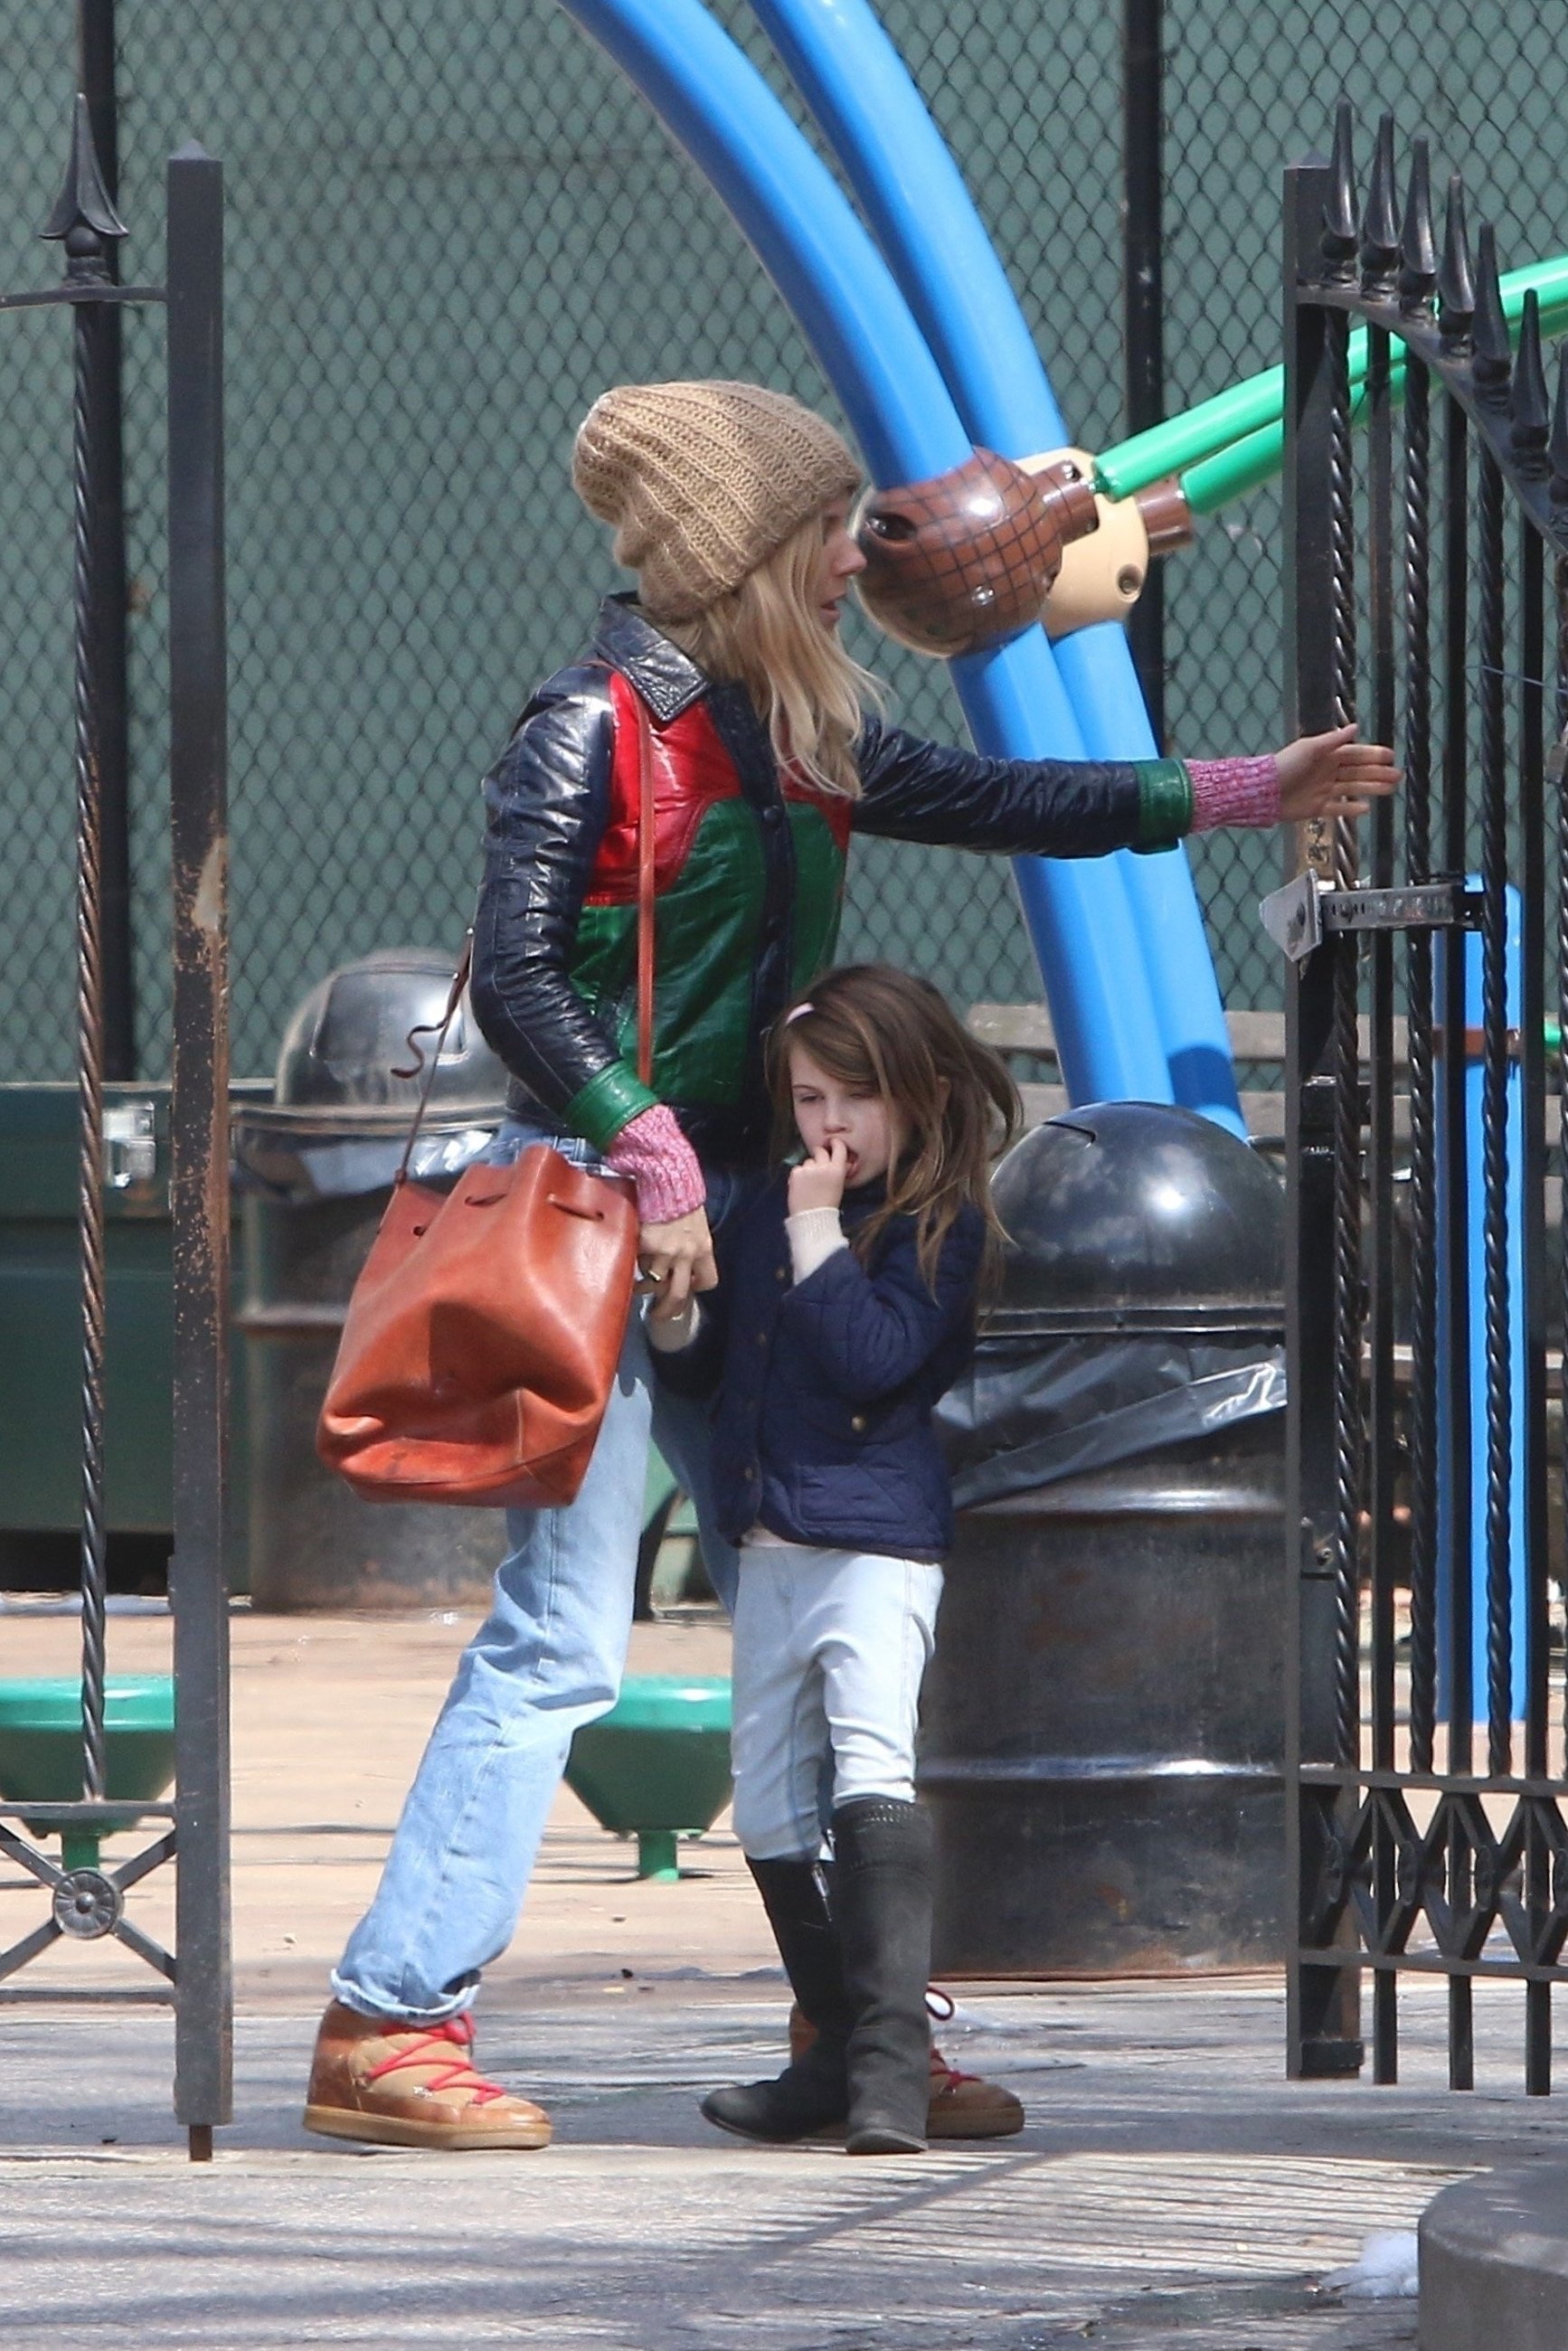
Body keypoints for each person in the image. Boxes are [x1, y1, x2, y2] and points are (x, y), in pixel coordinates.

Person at [303, 378, 1397, 2153]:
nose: (851, 554)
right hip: (590, 1218)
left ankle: (861, 2032)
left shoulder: (795, 722)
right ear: (741, 545)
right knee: (562, 1633)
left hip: (744, 1226)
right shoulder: (591, 726)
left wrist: (1237, 791)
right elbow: (514, 977)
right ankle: (389, 2019)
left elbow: (1002, 794)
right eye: (825, 524)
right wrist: (647, 1144)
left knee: (812, 1602)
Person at [648, 964, 1019, 2154]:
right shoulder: (768, 1207)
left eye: (854, 1099)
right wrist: (674, 1315)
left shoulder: (938, 1228)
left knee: (870, 1773)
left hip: (875, 1548)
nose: (828, 1126)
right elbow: (713, 1367)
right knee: (764, 1802)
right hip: (769, 1541)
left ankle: (891, 2073)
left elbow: (871, 1359)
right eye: (808, 1099)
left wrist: (814, 1228)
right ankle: (833, 2048)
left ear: (918, 1095)